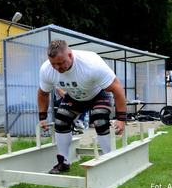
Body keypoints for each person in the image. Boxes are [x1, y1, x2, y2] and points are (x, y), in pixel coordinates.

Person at [37, 39, 127, 174]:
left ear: (70, 55)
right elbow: (43, 93)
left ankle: (108, 159)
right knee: (60, 120)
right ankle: (64, 162)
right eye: (53, 63)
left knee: (99, 119)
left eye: (60, 63)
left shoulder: (91, 64)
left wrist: (121, 118)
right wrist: (42, 117)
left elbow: (118, 89)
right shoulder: (47, 69)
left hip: (99, 93)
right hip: (75, 96)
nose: (56, 68)